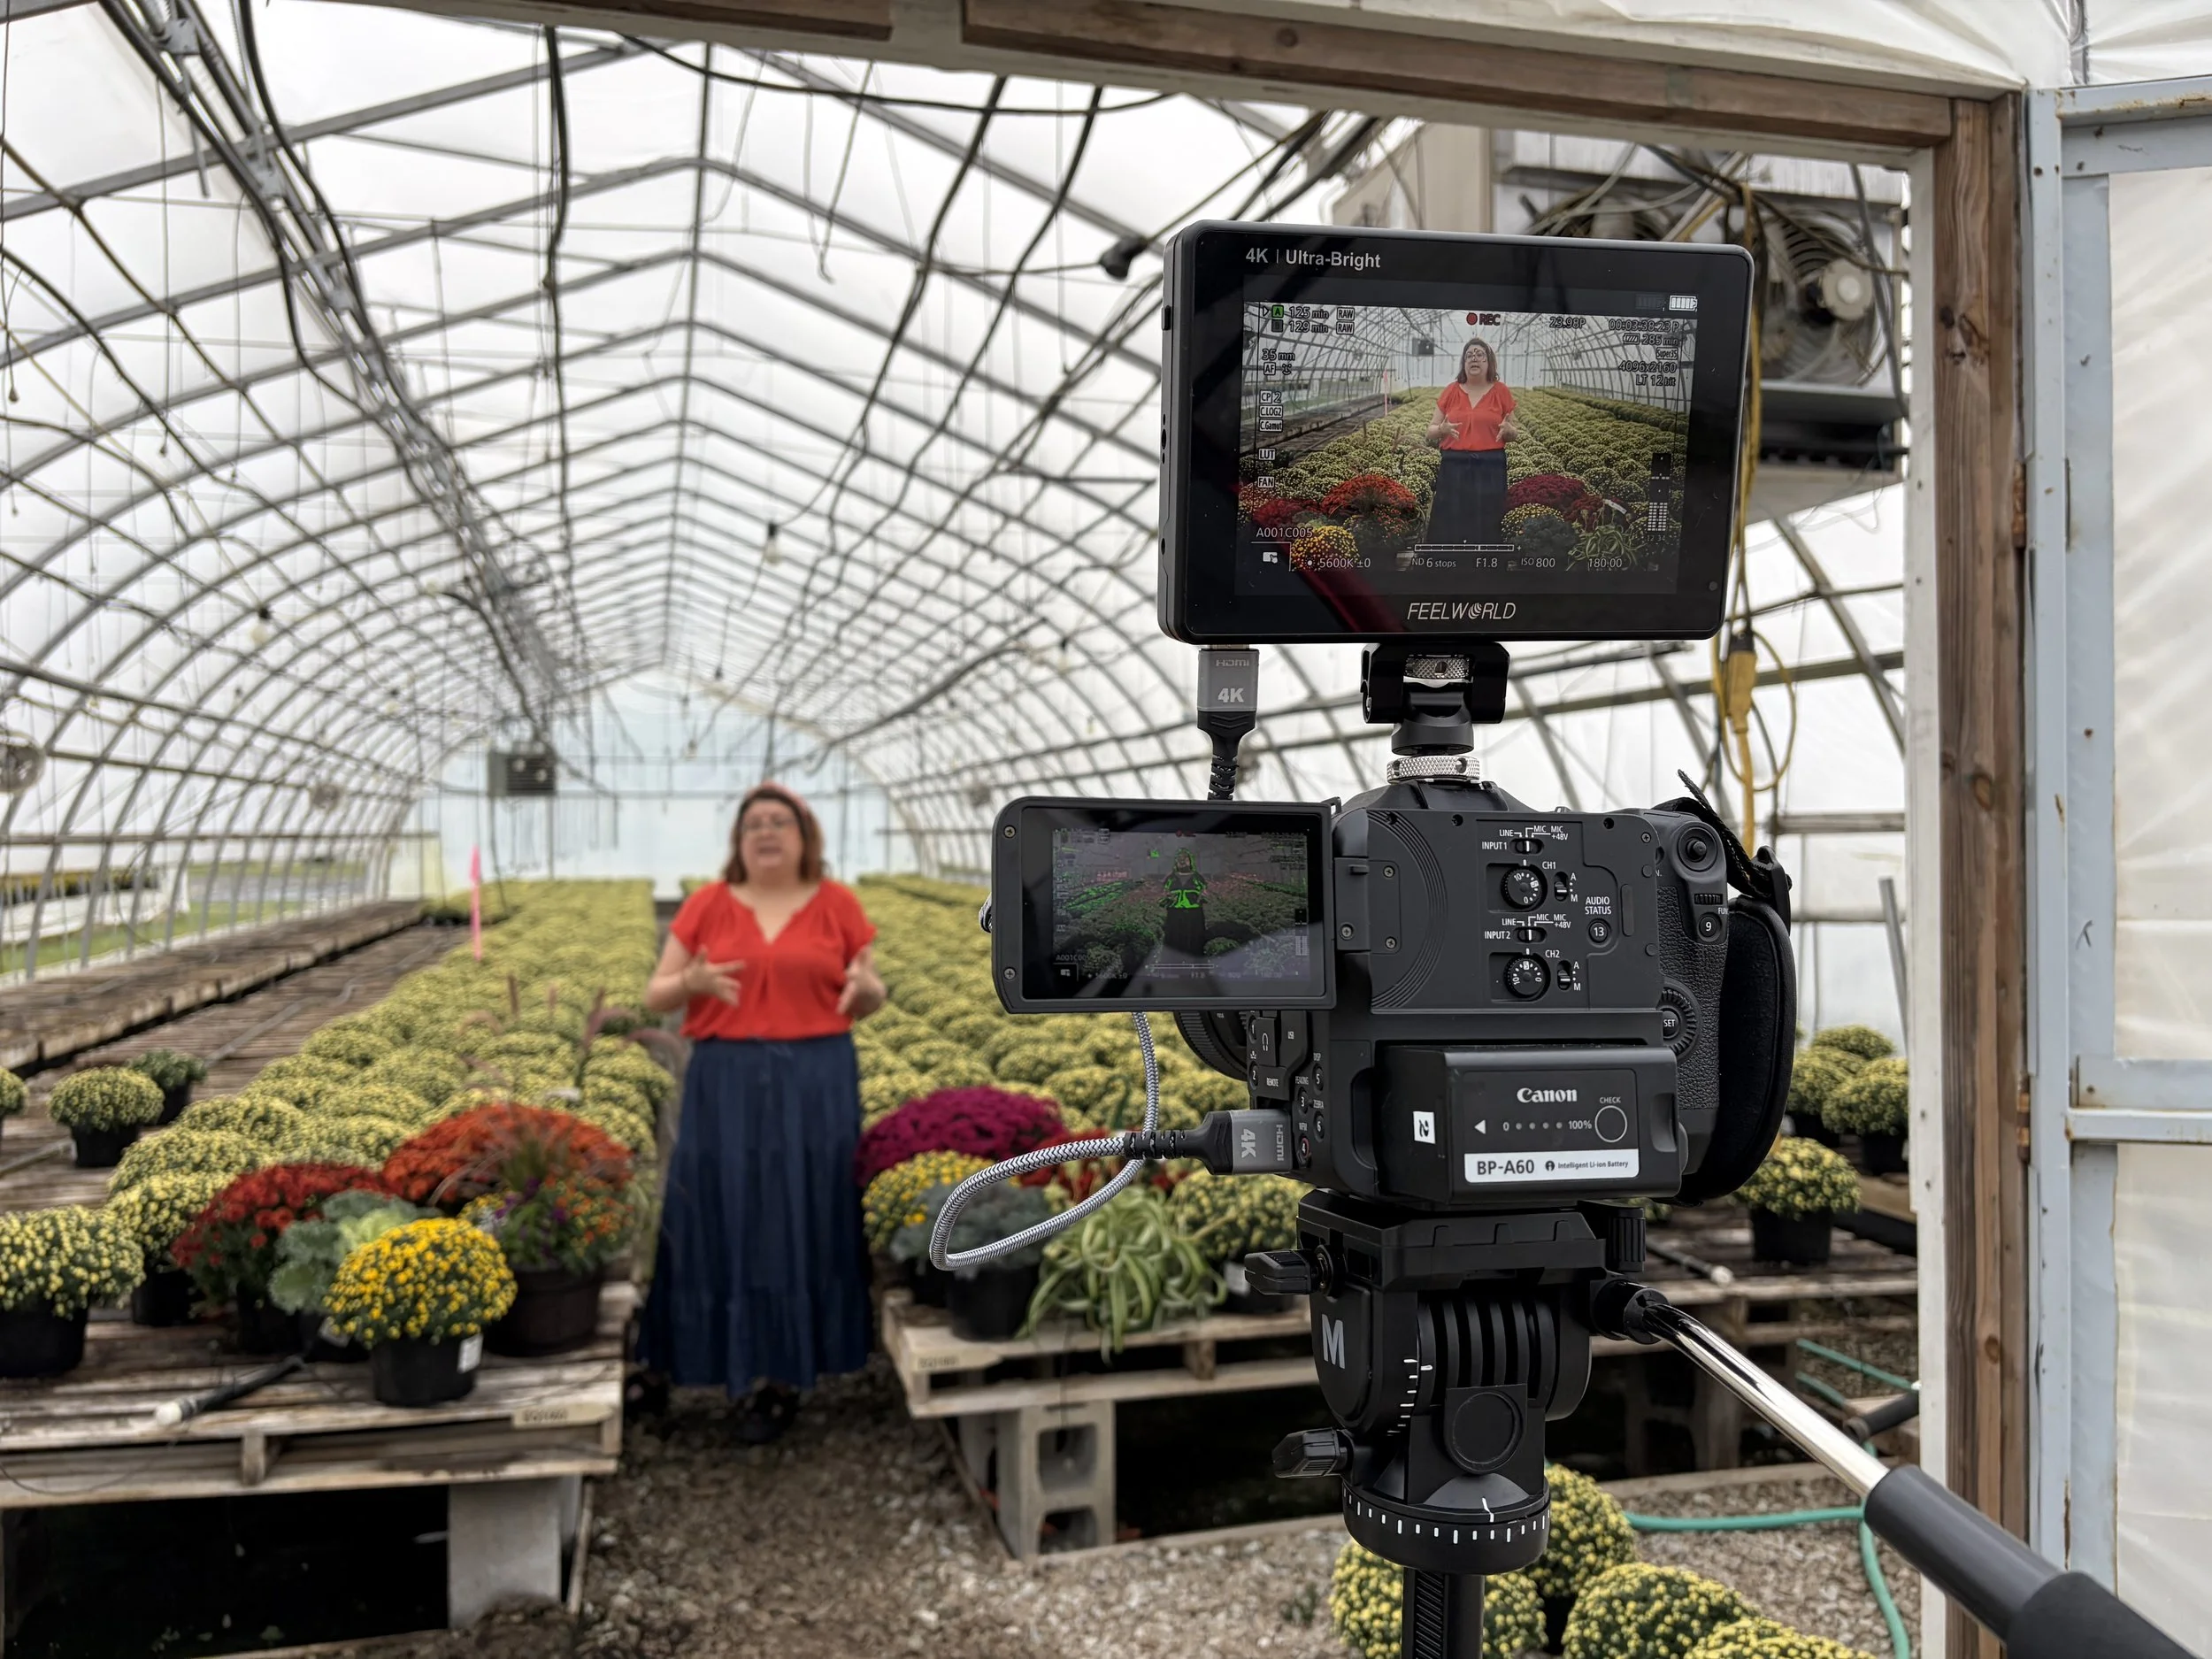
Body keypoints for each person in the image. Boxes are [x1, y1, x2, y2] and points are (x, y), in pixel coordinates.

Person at [637, 782, 886, 1443]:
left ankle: (781, 1375)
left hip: (818, 1076)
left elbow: (869, 987)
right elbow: (656, 989)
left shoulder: (837, 905)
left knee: (804, 1208)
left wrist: (867, 990)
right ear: (738, 841)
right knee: (716, 1203)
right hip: (727, 1077)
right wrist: (688, 983)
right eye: (755, 824)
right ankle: (688, 1358)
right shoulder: (707, 905)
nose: (767, 831)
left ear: (805, 836)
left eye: (781, 821)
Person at [1422, 338, 1522, 547]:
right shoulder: (1451, 390)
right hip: (1454, 466)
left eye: (1479, 354)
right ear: (1463, 363)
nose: (1474, 358)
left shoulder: (1501, 391)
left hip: (1490, 467)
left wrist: (1510, 431)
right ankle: (1449, 566)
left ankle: (1486, 567)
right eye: (1469, 355)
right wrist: (1441, 430)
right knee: (1452, 520)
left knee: (1488, 519)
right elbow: (1429, 431)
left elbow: (1514, 432)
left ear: (1489, 362)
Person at [1160, 847, 1209, 960]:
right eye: (1179, 858)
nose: (1182, 861)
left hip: (1194, 915)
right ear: (1176, 862)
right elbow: (1163, 895)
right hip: (1174, 914)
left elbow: (1205, 894)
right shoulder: (1170, 879)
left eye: (1185, 858)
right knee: (1174, 941)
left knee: (1195, 941)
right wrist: (1166, 900)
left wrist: (1201, 898)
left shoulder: (1198, 878)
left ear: (1190, 860)